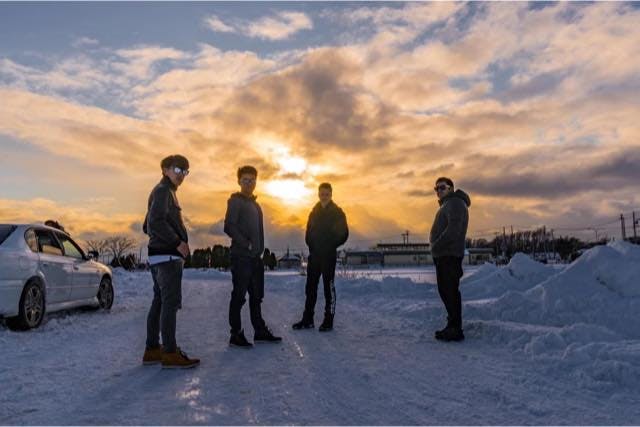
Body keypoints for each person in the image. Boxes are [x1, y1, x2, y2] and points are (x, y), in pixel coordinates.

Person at [141, 154, 200, 368]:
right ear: (165, 169)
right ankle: (169, 352)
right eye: (178, 169)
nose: (182, 175)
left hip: (160, 255)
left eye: (185, 171)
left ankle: (152, 349)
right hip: (166, 256)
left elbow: (146, 226)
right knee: (170, 302)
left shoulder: (164, 191)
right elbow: (155, 223)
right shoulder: (164, 190)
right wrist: (177, 243)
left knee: (160, 301)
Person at [224, 165, 282, 347]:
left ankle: (260, 331)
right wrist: (246, 243)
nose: (249, 183)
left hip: (255, 259)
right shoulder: (235, 201)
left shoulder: (256, 205)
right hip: (241, 257)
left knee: (256, 297)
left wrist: (258, 249)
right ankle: (236, 334)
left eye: (252, 180)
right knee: (239, 296)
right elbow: (229, 226)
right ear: (239, 181)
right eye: (245, 180)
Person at [293, 183, 349, 332]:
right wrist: (311, 245)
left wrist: (331, 245)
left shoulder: (337, 213)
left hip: (328, 256)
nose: (324, 196)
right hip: (314, 256)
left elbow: (344, 234)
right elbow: (308, 232)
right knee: (310, 288)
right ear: (318, 194)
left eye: (327, 194)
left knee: (328, 288)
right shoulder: (314, 212)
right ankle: (308, 319)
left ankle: (328, 320)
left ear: (331, 194)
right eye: (322, 194)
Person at [429, 177, 471, 342]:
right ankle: (452, 324)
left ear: (451, 188)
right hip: (444, 255)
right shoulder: (448, 204)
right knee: (446, 290)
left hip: (449, 254)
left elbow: (454, 229)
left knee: (450, 291)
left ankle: (455, 328)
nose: (438, 191)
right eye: (436, 188)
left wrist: (437, 246)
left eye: (442, 187)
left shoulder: (455, 203)